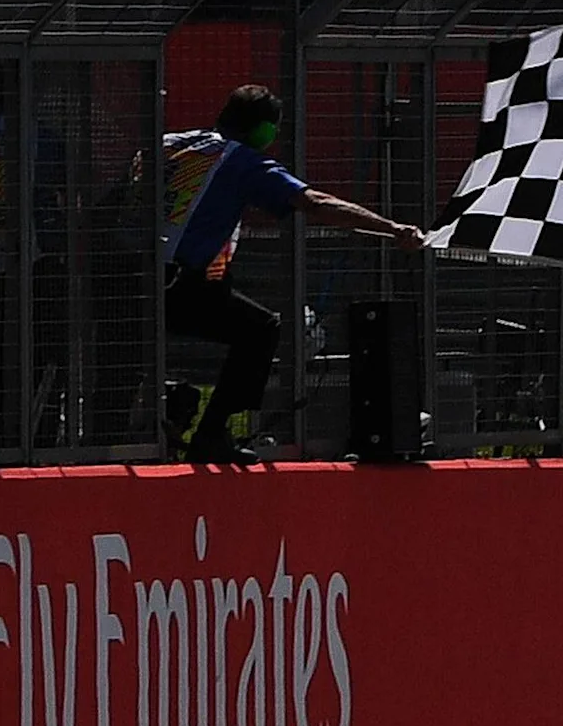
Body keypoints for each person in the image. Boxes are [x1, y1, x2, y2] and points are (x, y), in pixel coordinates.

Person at [164, 86, 426, 463]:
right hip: (178, 280)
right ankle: (212, 433)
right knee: (260, 329)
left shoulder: (176, 143)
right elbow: (315, 203)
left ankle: (113, 431)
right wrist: (392, 228)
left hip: (125, 273)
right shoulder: (242, 162)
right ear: (262, 129)